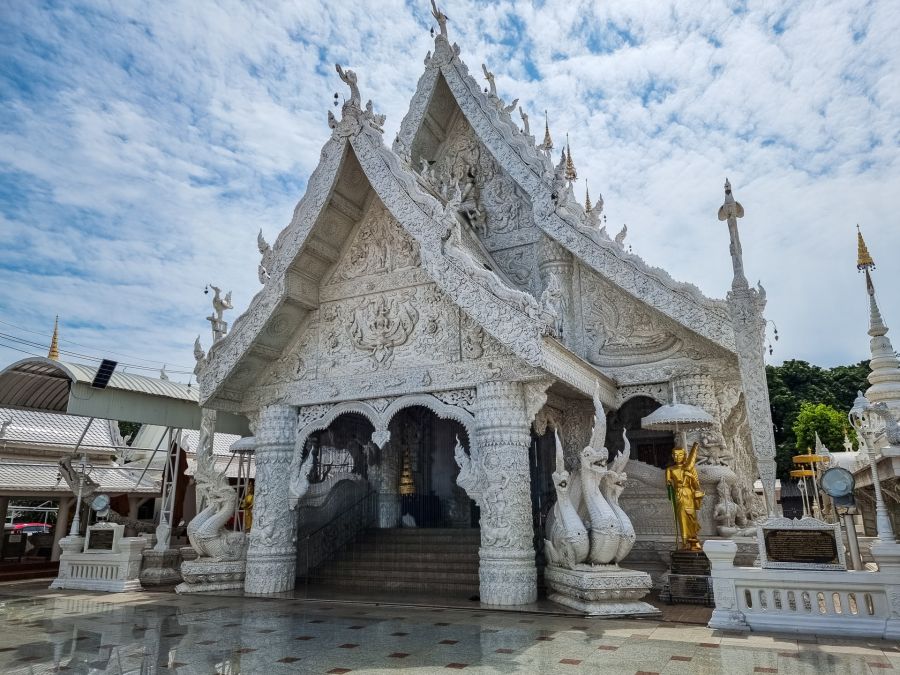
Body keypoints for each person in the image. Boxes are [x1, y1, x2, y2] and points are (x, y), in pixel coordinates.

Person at [666, 443, 704, 551]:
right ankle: (684, 542)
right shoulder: (670, 470)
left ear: (685, 455)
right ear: (672, 456)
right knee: (682, 517)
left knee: (692, 517)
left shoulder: (689, 468)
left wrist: (690, 476)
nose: (677, 457)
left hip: (689, 494)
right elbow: (668, 484)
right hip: (679, 494)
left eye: (680, 455)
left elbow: (697, 485)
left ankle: (693, 540)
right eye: (675, 455)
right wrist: (670, 484)